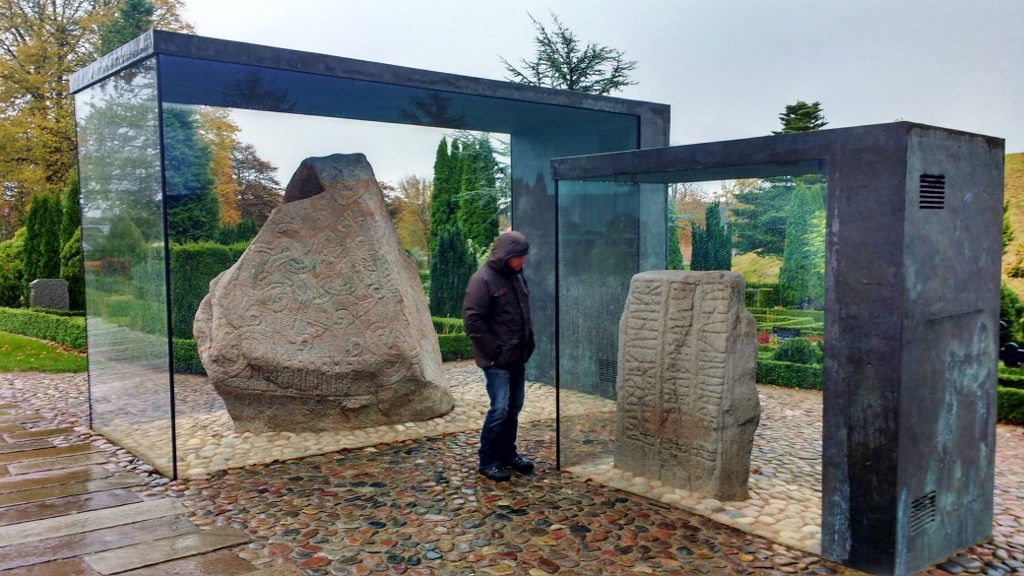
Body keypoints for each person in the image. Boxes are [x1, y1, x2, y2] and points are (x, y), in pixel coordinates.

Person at [463, 231, 536, 482]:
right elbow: (473, 321)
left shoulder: (516, 276)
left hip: (517, 356)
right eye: (519, 257)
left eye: (523, 257)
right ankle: (488, 460)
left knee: (514, 408)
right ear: (507, 256)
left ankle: (508, 454)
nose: (522, 262)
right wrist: (494, 351)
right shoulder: (482, 280)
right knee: (500, 409)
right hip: (496, 360)